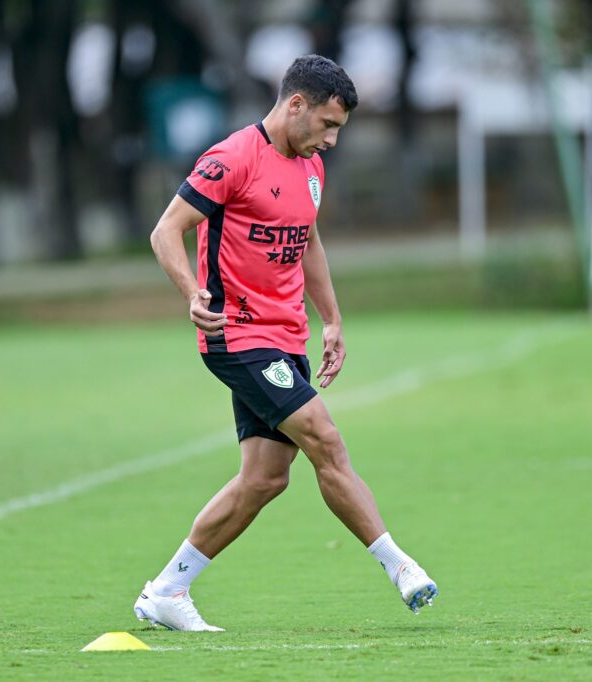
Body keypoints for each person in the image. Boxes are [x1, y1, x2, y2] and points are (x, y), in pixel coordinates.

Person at [134, 55, 437, 631]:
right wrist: (191, 292)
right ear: (295, 105)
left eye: (338, 129)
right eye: (326, 124)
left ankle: (166, 591)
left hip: (285, 336)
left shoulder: (311, 168)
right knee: (325, 437)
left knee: (267, 477)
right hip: (238, 336)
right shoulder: (230, 159)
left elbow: (309, 242)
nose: (331, 139)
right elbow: (166, 229)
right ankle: (401, 567)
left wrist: (331, 319)